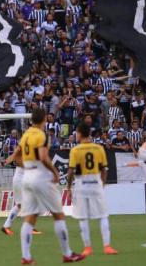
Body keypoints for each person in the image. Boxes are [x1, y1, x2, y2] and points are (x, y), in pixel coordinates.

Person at [15, 108, 85, 264]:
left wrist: (27, 167)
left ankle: (26, 257)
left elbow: (17, 155)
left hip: (27, 176)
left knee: (30, 217)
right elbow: (43, 156)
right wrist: (54, 171)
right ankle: (67, 254)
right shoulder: (41, 134)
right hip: (40, 177)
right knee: (58, 214)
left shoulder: (26, 134)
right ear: (44, 119)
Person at [67, 123, 117, 256]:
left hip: (81, 184)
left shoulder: (75, 150)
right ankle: (107, 246)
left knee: (83, 217)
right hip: (96, 183)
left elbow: (71, 171)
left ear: (79, 134)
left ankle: (87, 248)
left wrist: (68, 187)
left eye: (76, 133)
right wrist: (102, 184)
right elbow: (104, 170)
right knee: (103, 215)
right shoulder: (98, 148)